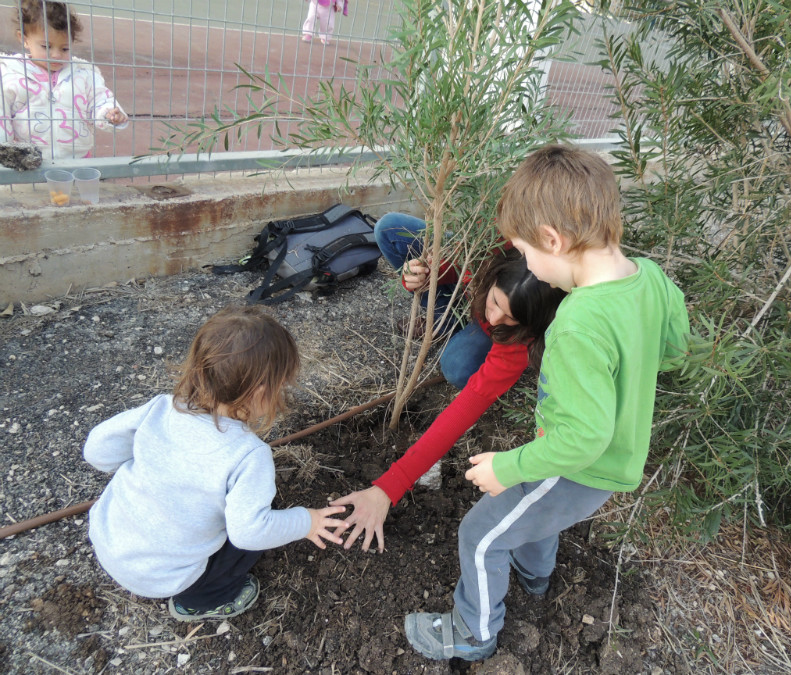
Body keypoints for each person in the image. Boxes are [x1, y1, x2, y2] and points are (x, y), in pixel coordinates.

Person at [403, 144, 691, 661]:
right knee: (536, 516)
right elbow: (675, 349)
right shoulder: (650, 279)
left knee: (482, 534)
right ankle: (534, 578)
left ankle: (473, 632)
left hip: (579, 467)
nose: (530, 268)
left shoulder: (577, 322)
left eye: (527, 254)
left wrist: (508, 467)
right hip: (612, 459)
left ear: (553, 240)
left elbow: (582, 437)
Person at [84, 306, 348, 622]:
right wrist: (308, 521)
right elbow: (249, 533)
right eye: (282, 385)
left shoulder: (163, 408)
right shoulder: (248, 456)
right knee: (251, 532)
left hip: (108, 538)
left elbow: (97, 452)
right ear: (261, 392)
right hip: (162, 578)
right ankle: (202, 600)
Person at [332, 212, 566, 553]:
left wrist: (388, 487)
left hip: (503, 316)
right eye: (495, 303)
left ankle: (456, 321)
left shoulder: (518, 341)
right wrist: (422, 276)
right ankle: (440, 309)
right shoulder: (486, 249)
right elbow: (458, 268)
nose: (495, 318)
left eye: (509, 318)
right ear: (495, 276)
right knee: (389, 228)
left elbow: (461, 412)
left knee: (457, 367)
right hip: (474, 277)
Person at [0, 0, 129, 160]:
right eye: (46, 46)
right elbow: (2, 115)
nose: (56, 55)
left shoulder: (84, 73)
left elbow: (99, 99)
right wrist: (4, 153)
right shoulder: (10, 74)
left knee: (76, 185)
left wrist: (109, 113)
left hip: (77, 159)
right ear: (24, 38)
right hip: (28, 162)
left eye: (65, 48)